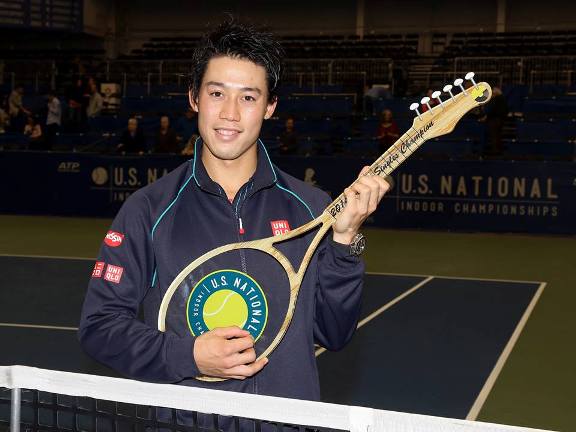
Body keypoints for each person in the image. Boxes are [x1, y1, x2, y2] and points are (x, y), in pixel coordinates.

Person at [79, 18, 388, 424]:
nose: (229, 113)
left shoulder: (311, 207)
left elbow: (335, 332)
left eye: (248, 97)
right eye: (216, 93)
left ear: (270, 107)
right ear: (194, 98)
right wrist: (188, 355)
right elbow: (99, 327)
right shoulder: (148, 210)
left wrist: (344, 243)